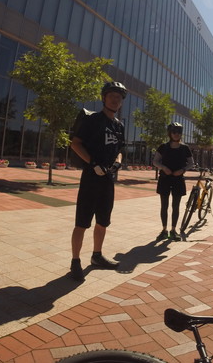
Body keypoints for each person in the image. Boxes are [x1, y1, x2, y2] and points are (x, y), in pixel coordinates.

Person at [69, 81, 127, 281]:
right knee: (82, 223)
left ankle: (97, 255)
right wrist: (93, 163)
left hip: (108, 180)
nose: (115, 99)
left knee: (103, 221)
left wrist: (118, 163)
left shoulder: (119, 126)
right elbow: (75, 144)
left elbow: (119, 150)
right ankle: (75, 262)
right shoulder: (93, 119)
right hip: (91, 178)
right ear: (104, 97)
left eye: (119, 97)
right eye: (112, 95)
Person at [153, 122, 194, 241]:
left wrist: (182, 170)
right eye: (174, 132)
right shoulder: (163, 147)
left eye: (179, 132)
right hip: (164, 179)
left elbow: (191, 163)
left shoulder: (185, 148)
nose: (176, 134)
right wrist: (163, 168)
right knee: (164, 205)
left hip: (178, 179)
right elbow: (155, 161)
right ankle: (164, 230)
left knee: (175, 206)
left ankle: (173, 230)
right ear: (170, 133)